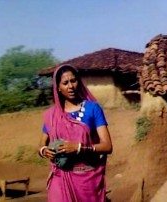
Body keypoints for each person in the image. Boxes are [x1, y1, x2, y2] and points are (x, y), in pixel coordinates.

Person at [38, 64, 113, 202]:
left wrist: (79, 148)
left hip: (86, 180)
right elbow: (42, 144)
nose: (71, 86)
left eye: (73, 81)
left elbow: (107, 146)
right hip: (60, 178)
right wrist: (44, 150)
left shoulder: (93, 109)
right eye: (65, 83)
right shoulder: (52, 115)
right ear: (58, 88)